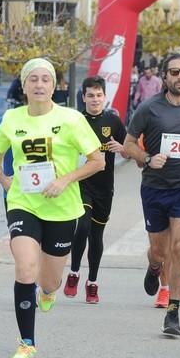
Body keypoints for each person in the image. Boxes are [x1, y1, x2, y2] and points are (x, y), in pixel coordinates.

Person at [0, 58, 104, 358]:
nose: (39, 85)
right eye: (32, 79)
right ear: (23, 86)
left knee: (49, 281)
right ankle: (27, 345)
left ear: (55, 86)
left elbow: (96, 161)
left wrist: (64, 180)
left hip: (63, 209)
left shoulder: (72, 120)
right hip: (24, 202)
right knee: (25, 268)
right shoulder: (11, 119)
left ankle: (48, 291)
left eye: (45, 80)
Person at [124, 53, 180, 337]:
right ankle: (153, 266)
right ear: (165, 76)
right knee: (161, 251)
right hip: (154, 188)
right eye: (175, 72)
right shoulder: (149, 109)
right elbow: (128, 146)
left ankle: (173, 310)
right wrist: (148, 158)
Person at [63, 76, 128, 304]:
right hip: (81, 183)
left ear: (105, 97)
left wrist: (122, 148)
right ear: (83, 97)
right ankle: (73, 273)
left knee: (96, 236)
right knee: (82, 226)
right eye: (90, 95)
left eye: (99, 95)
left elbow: (129, 148)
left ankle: (92, 282)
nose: (95, 99)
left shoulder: (113, 121)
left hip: (104, 186)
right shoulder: (75, 120)